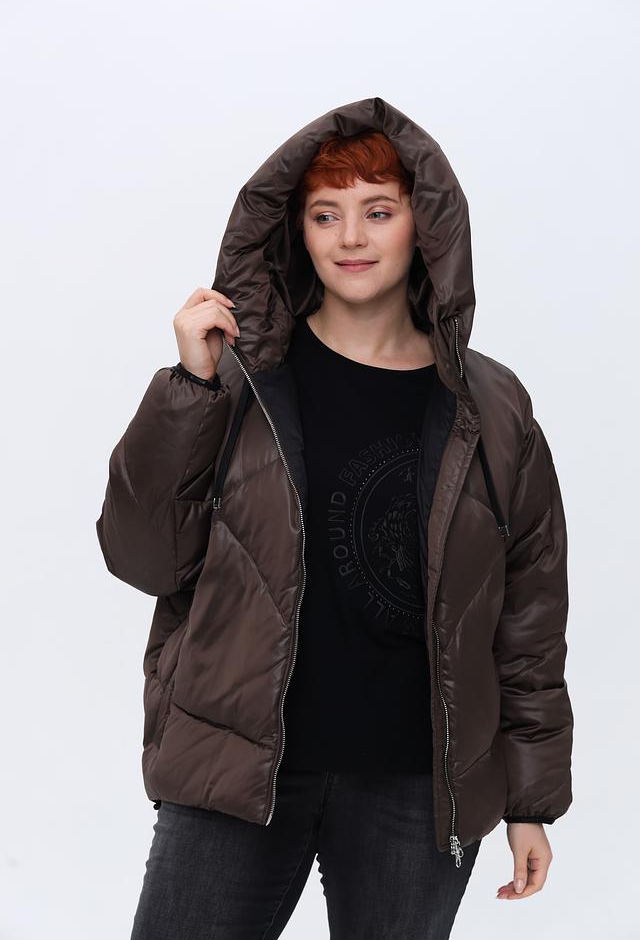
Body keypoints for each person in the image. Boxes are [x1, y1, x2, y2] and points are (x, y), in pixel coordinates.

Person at [96, 97, 573, 939]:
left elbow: (529, 617)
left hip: (417, 789)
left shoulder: (493, 407)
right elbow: (142, 557)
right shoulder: (235, 379)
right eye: (325, 214)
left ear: (424, 224)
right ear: (298, 230)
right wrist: (190, 389)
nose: (351, 237)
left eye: (378, 211)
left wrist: (530, 800)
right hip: (237, 767)